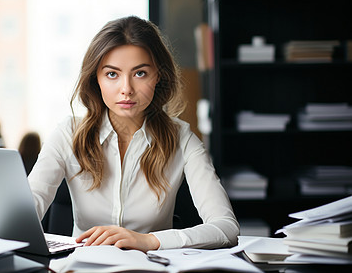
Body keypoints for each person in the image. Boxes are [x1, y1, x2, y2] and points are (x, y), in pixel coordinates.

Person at [28, 16, 239, 252]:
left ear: (158, 75)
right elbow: (26, 212)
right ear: (95, 79)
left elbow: (226, 228)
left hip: (152, 267)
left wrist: (148, 240)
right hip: (83, 266)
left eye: (140, 73)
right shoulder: (68, 134)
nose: (126, 89)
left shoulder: (181, 137)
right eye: (112, 74)